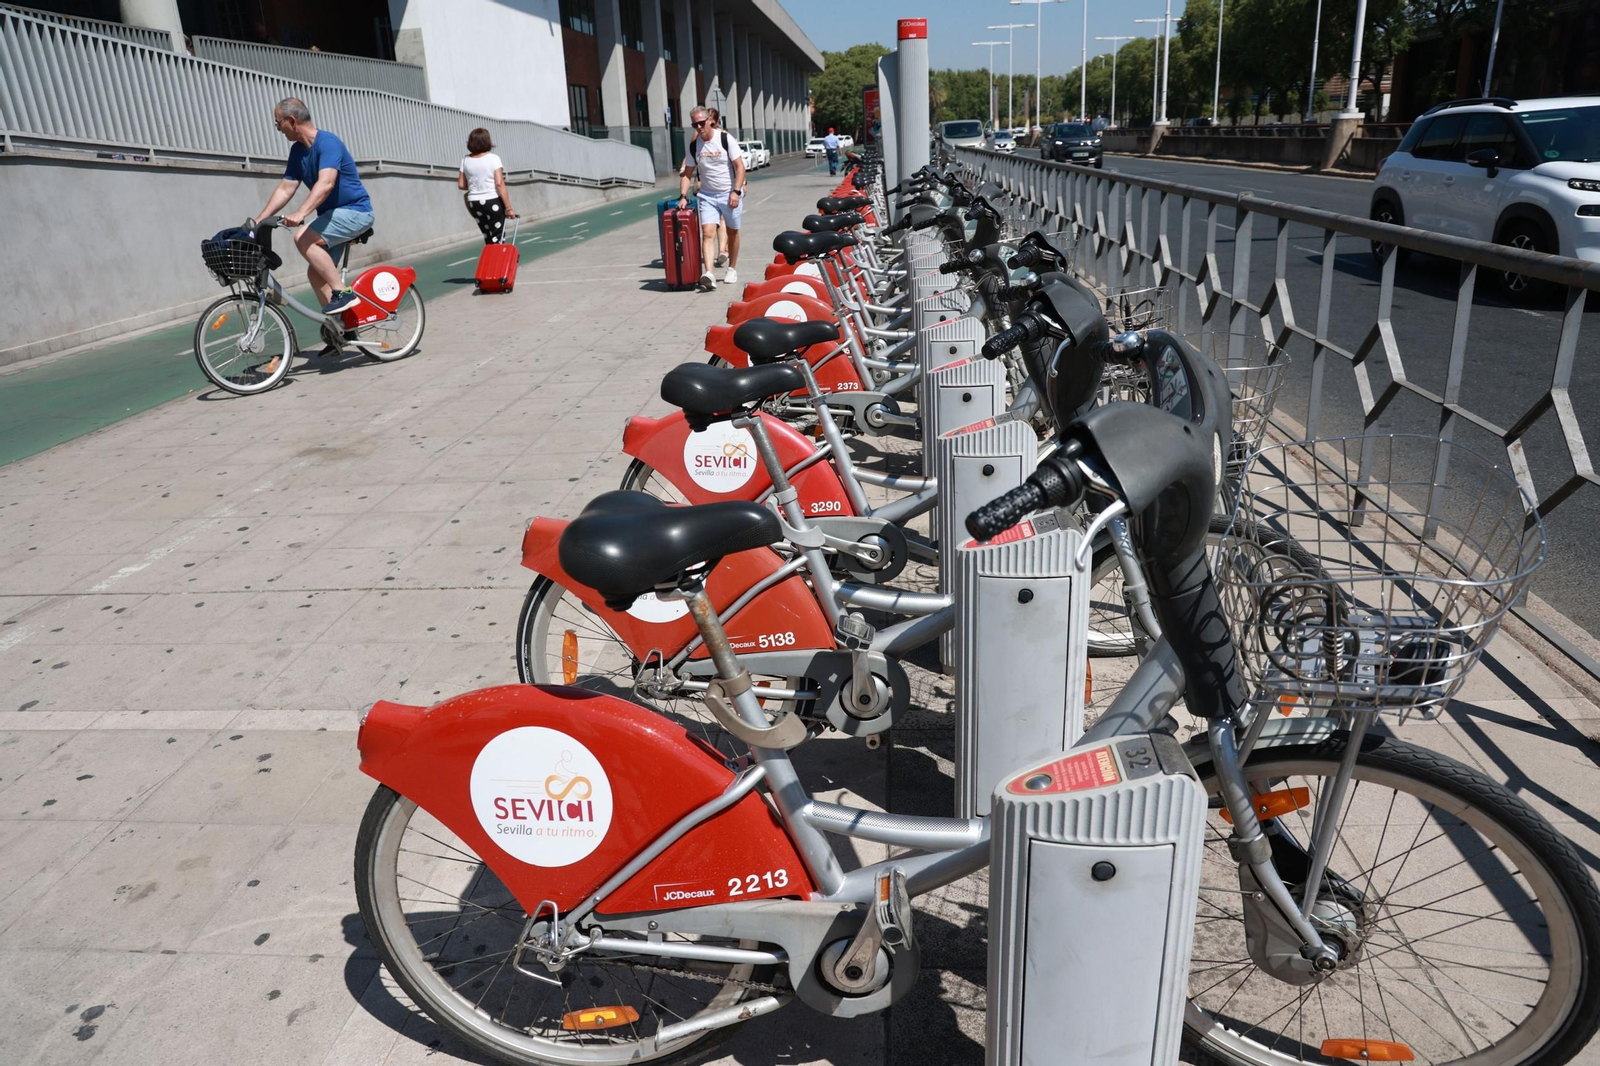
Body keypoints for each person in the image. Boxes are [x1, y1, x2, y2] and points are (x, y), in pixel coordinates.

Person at [252, 97, 374, 317]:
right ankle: (341, 328)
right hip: (332, 216)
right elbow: (286, 188)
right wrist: (259, 220)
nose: (278, 129)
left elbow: (326, 183)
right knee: (316, 273)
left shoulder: (328, 143)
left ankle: (343, 293)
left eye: (278, 124)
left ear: (292, 121)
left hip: (356, 211)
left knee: (302, 238)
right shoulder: (297, 152)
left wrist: (301, 213)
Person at [677, 105, 746, 292]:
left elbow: (740, 167)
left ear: (710, 121)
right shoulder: (694, 145)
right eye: (695, 125)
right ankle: (709, 273)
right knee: (707, 233)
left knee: (732, 232)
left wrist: (736, 191)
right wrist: (683, 196)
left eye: (702, 123)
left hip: (729, 193)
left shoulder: (724, 138)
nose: (699, 127)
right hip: (707, 195)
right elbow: (687, 173)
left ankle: (732, 268)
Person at [458, 127, 517, 244]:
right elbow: (499, 184)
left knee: (487, 236)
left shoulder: (465, 160)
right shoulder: (494, 159)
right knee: (498, 237)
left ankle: (490, 254)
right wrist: (509, 208)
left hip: (474, 203)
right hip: (492, 201)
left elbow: (461, 185)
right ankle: (498, 255)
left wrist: (476, 184)